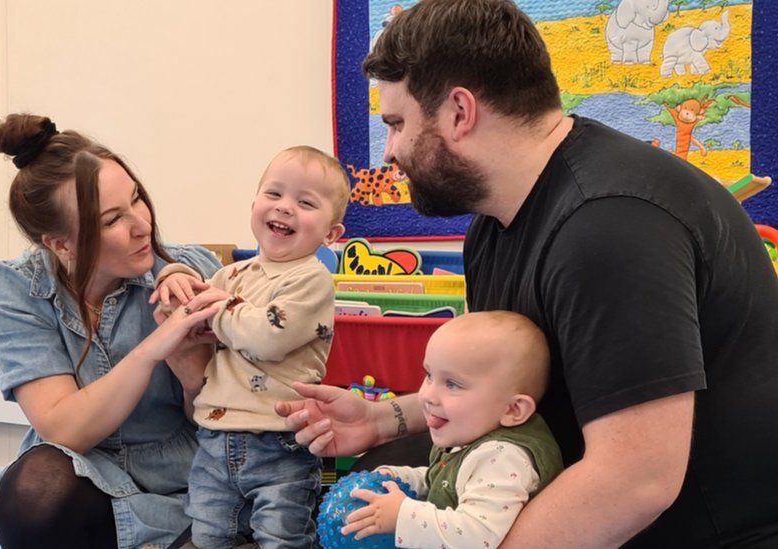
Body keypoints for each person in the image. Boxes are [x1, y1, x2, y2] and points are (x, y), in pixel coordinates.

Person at [277, 1, 778, 546]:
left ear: (459, 112)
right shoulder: (496, 223)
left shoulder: (610, 225)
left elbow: (637, 479)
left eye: (396, 124)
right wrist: (381, 419)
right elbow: (493, 379)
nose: (390, 151)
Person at [0, 114, 224, 548]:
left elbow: (223, 419)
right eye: (112, 219)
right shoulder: (17, 287)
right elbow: (62, 428)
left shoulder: (191, 273)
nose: (142, 225)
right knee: (33, 494)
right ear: (59, 244)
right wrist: (152, 350)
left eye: (137, 199)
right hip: (82, 472)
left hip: (184, 478)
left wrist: (192, 376)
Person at [154, 146, 348, 547]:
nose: (285, 207)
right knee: (208, 535)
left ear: (331, 233)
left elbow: (266, 338)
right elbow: (194, 303)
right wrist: (174, 275)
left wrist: (218, 310)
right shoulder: (232, 274)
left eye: (306, 202)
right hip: (214, 436)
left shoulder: (311, 279)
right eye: (274, 194)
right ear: (255, 203)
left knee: (282, 537)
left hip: (278, 438)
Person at [341, 311, 563, 548]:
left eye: (452, 384)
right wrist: (399, 479)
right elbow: (444, 483)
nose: (426, 395)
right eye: (429, 375)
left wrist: (402, 514)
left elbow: (476, 536)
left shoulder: (502, 458)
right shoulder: (472, 436)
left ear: (512, 410)